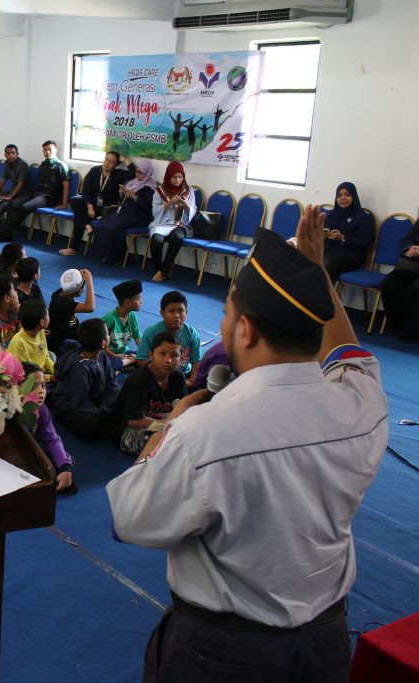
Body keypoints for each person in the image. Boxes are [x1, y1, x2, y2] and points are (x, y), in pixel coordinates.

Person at [107, 211, 387, 683]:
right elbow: (348, 351)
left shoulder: (202, 432)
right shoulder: (363, 404)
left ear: (246, 331)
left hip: (224, 655)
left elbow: (129, 518)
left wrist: (167, 427)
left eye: (226, 315)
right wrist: (314, 273)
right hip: (326, 645)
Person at [114, 331, 187, 455]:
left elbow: (183, 407)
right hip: (130, 429)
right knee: (166, 443)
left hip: (162, 423)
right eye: (162, 353)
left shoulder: (178, 378)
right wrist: (165, 425)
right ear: (151, 355)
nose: (168, 360)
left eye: (174, 355)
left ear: (181, 359)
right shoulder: (139, 380)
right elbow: (134, 421)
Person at [48, 319, 119, 440]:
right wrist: (102, 411)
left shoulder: (102, 355)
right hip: (71, 407)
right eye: (107, 334)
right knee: (94, 426)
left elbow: (111, 384)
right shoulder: (80, 370)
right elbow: (79, 403)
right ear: (103, 343)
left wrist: (106, 405)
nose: (109, 336)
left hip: (94, 399)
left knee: (121, 402)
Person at [60, 151, 133, 256]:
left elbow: (134, 173)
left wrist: (126, 159)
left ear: (116, 165)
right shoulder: (95, 170)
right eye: (106, 159)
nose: (107, 163)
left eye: (112, 162)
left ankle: (74, 246)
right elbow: (85, 190)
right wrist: (90, 207)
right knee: (75, 200)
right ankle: (86, 226)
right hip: (92, 206)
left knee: (79, 217)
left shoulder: (118, 174)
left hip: (106, 208)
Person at [0, 140, 69, 241]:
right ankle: (8, 234)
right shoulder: (44, 164)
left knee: (24, 207)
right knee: (13, 205)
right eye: (45, 150)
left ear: (55, 150)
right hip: (37, 194)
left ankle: (3, 233)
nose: (47, 152)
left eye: (50, 149)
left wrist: (64, 204)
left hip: (48, 197)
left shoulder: (61, 165)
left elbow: (66, 185)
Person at [20, 363, 75, 493]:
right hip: (15, 455)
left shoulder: (41, 408)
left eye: (43, 386)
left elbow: (51, 438)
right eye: (33, 386)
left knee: (67, 461)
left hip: (32, 447)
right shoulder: (8, 412)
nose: (41, 391)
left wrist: (65, 468)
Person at [91, 159, 156, 265]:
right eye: (136, 171)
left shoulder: (151, 187)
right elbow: (122, 201)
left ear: (147, 173)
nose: (137, 174)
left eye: (141, 173)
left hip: (139, 217)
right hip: (124, 212)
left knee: (114, 227)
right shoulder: (132, 182)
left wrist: (135, 197)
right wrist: (122, 194)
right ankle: (103, 254)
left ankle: (118, 257)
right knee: (103, 223)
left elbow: (149, 206)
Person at [135, 290, 201, 384]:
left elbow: (197, 360)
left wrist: (193, 380)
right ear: (162, 313)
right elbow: (141, 359)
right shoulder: (152, 332)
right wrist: (164, 377)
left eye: (181, 311)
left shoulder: (192, 334)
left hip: (184, 375)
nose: (177, 315)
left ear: (186, 312)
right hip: (158, 376)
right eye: (171, 311)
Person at [148, 161, 196, 281]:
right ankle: (157, 268)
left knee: (177, 237)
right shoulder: (160, 191)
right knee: (156, 240)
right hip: (162, 223)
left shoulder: (189, 190)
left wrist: (186, 204)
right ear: (168, 177)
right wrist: (169, 203)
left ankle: (162, 271)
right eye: (174, 177)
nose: (178, 180)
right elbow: (155, 211)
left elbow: (193, 210)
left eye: (180, 177)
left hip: (181, 224)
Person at [323, 181, 375, 282]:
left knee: (328, 267)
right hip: (330, 251)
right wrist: (323, 235)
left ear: (354, 196)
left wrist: (342, 238)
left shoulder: (363, 218)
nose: (343, 198)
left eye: (347, 195)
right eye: (339, 195)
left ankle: (324, 293)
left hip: (351, 256)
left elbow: (364, 244)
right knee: (307, 260)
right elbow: (325, 234)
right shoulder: (331, 215)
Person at [379, 216, 419, 340]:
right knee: (389, 285)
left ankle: (411, 331)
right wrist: (411, 247)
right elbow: (406, 239)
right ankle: (396, 326)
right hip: (412, 265)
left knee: (414, 289)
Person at [47, 268, 95, 355]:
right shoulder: (64, 304)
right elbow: (90, 307)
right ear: (79, 290)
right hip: (62, 341)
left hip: (71, 332)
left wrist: (76, 275)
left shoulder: (60, 293)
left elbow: (69, 282)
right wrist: (89, 281)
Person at [102, 280, 142, 371]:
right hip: (108, 354)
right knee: (109, 364)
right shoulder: (109, 319)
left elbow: (138, 340)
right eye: (139, 299)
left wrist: (147, 353)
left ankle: (121, 367)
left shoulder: (132, 317)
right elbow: (100, 345)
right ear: (127, 302)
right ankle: (120, 367)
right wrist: (115, 355)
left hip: (124, 353)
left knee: (144, 359)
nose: (141, 302)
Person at [7, 299, 53, 377]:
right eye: (47, 313)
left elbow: (45, 356)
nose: (49, 315)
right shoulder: (18, 344)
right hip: (29, 379)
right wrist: (51, 378)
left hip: (40, 370)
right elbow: (24, 375)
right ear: (42, 322)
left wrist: (56, 370)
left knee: (52, 356)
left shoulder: (40, 331)